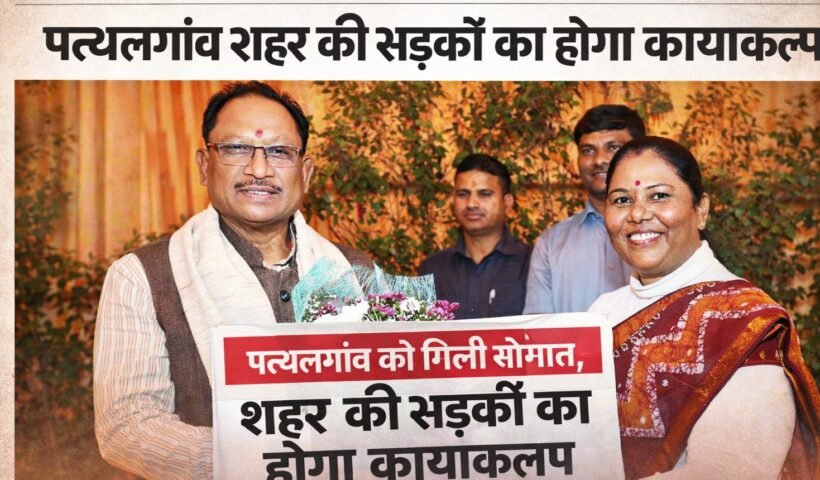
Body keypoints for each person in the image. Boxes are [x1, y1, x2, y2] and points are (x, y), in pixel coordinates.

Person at [93, 82, 371, 479]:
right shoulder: (142, 276)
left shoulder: (356, 272)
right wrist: (277, 461)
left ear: (306, 173)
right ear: (204, 166)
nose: (259, 170)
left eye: (279, 152)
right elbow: (127, 427)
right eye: (237, 148)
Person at [589, 136, 819, 479]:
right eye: (622, 200)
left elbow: (726, 473)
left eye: (659, 196)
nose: (638, 214)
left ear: (701, 210)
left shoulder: (744, 322)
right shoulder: (601, 313)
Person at [524, 105, 645, 314]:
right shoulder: (550, 244)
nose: (599, 160)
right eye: (588, 150)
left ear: (641, 154)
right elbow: (539, 328)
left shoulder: (661, 230)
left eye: (613, 147)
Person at [418, 153, 531, 319]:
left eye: (484, 194)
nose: (471, 204)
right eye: (463, 194)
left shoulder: (531, 266)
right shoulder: (432, 271)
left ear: (507, 203)